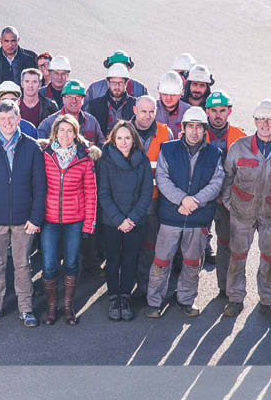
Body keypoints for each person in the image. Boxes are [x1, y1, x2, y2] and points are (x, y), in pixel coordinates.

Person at [221, 99, 271, 321]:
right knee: (237, 257)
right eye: (261, 120)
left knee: (269, 258)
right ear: (255, 121)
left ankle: (268, 302)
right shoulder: (239, 147)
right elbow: (227, 177)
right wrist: (229, 204)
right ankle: (235, 299)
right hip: (241, 213)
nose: (266, 124)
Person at [0, 100, 46, 327]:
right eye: (2, 119)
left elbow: (40, 186)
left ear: (19, 118)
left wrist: (35, 218)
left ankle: (26, 309)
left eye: (11, 118)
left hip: (25, 221)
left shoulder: (32, 147)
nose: (7, 123)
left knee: (23, 265)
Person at [146, 107, 224, 318]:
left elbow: (217, 182)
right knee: (161, 261)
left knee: (192, 263)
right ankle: (155, 302)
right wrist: (182, 199)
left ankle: (186, 300)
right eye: (190, 126)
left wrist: (195, 201)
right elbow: (162, 179)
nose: (194, 131)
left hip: (198, 218)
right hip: (171, 216)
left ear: (204, 129)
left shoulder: (214, 153)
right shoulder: (168, 149)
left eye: (199, 127)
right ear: (183, 128)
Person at [39, 114, 98, 325]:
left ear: (76, 133)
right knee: (48, 265)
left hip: (75, 219)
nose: (65, 135)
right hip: (49, 219)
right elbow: (37, 187)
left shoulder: (84, 157)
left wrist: (89, 224)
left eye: (70, 130)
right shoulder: (45, 154)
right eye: (61, 130)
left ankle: (68, 306)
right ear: (55, 132)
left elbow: (91, 193)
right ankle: (52, 307)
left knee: (72, 263)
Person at [98, 120, 152, 321]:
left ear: (134, 139)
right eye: (119, 138)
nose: (123, 142)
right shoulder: (106, 160)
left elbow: (146, 192)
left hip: (135, 221)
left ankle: (125, 297)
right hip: (112, 222)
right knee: (113, 260)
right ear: (113, 139)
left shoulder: (143, 160)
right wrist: (119, 219)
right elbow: (103, 193)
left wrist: (132, 218)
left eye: (127, 138)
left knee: (130, 260)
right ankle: (114, 297)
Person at [204, 90, 246, 294]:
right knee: (191, 246)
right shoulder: (196, 132)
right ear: (207, 111)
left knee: (226, 244)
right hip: (202, 199)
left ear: (229, 111)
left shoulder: (240, 136)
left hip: (228, 201)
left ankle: (225, 287)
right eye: (213, 110)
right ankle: (184, 292)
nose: (218, 115)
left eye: (222, 110)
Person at [132, 96, 174, 297]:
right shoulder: (123, 132)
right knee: (129, 245)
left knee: (150, 245)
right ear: (135, 110)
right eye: (143, 111)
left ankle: (144, 287)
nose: (147, 116)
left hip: (156, 199)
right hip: (129, 200)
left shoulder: (166, 132)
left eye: (151, 112)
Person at [0, 26, 37, 111]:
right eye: (6, 41)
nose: (10, 45)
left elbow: (39, 84)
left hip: (26, 109)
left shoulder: (30, 58)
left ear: (18, 39)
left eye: (13, 41)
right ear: (1, 40)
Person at [38, 79, 104, 147]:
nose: (74, 101)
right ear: (63, 99)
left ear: (83, 100)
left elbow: (102, 146)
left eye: (78, 97)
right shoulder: (49, 123)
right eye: (69, 97)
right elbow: (39, 148)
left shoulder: (92, 122)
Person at [85, 63, 137, 136]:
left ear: (127, 83)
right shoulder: (94, 106)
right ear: (107, 83)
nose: (117, 86)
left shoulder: (136, 105)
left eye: (120, 83)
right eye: (113, 82)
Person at [84, 51, 148, 104]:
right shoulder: (94, 88)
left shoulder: (140, 89)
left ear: (128, 68)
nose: (118, 70)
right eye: (115, 66)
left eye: (122, 66)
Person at [155, 71, 190, 138]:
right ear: (159, 93)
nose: (168, 98)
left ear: (180, 93)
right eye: (165, 94)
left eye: (173, 95)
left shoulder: (188, 111)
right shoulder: (152, 110)